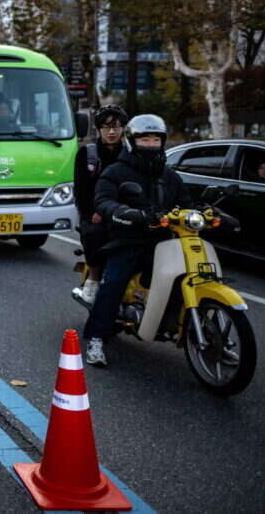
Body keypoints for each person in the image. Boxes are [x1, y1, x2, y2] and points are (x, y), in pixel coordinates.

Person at [83, 114, 191, 368]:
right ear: (132, 141)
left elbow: (187, 202)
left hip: (164, 241)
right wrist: (122, 211)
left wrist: (207, 212)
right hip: (128, 237)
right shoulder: (116, 172)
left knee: (187, 274)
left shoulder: (170, 175)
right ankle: (97, 337)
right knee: (114, 281)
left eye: (156, 139)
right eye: (145, 139)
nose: (151, 144)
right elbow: (103, 199)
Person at [72, 105, 128, 305]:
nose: (112, 132)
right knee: (94, 233)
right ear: (98, 129)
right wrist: (93, 212)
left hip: (125, 211)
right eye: (106, 127)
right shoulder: (87, 154)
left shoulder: (130, 154)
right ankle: (94, 279)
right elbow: (81, 190)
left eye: (117, 127)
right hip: (95, 213)